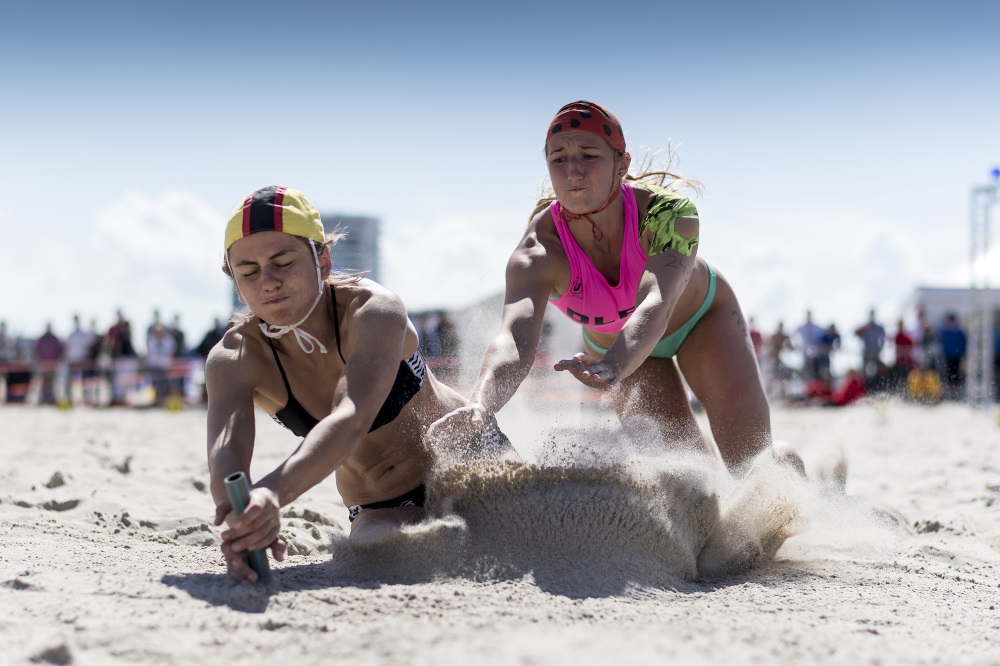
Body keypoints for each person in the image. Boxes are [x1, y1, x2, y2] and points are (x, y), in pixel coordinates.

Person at [429, 100, 802, 475]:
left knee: (754, 466)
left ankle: (795, 484)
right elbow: (515, 338)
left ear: (621, 165)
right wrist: (481, 403)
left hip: (698, 321)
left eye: (588, 155)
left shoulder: (669, 214)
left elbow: (657, 301)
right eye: (558, 159)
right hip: (616, 353)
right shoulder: (536, 253)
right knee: (691, 478)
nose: (573, 171)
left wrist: (612, 366)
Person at [206, 186, 515, 584]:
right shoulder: (233, 358)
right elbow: (225, 460)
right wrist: (242, 517)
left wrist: (274, 492)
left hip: (470, 458)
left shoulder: (373, 310)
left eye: (283, 263)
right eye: (248, 272)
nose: (267, 283)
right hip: (382, 501)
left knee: (541, 533)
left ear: (323, 261)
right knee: (383, 557)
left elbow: (350, 417)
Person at [938, 313, 967, 400]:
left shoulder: (959, 332)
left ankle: (956, 394)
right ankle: (949, 394)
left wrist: (962, 353)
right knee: (948, 374)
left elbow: (963, 343)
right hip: (947, 356)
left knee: (957, 374)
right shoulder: (945, 332)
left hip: (957, 357)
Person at [794, 311, 826, 382]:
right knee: (806, 370)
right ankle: (807, 384)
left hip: (817, 354)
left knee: (816, 370)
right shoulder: (801, 328)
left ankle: (815, 384)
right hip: (805, 353)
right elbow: (795, 336)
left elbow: (824, 334)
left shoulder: (817, 327)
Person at [854, 308, 886, 375]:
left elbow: (883, 337)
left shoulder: (878, 327)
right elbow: (856, 333)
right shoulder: (866, 327)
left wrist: (880, 348)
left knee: (879, 370)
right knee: (864, 371)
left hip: (875, 352)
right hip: (867, 352)